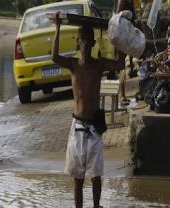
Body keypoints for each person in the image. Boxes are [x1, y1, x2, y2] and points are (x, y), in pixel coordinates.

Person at [51, 12, 125, 208]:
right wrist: (57, 28)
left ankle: (96, 206)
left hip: (94, 128)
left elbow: (120, 63)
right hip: (77, 128)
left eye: (88, 40)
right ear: (78, 43)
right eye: (81, 40)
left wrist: (118, 36)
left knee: (96, 175)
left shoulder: (98, 64)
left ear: (93, 43)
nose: (84, 43)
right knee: (77, 178)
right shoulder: (73, 65)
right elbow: (54, 57)